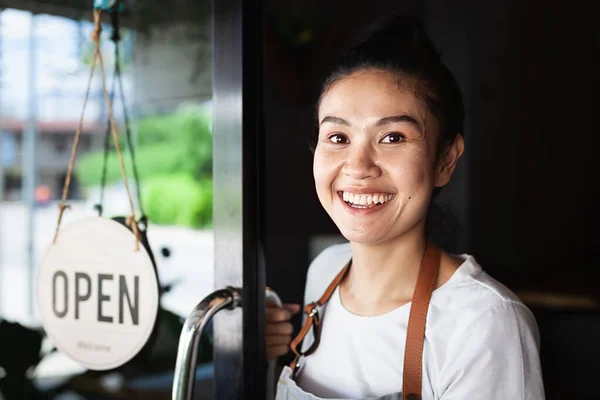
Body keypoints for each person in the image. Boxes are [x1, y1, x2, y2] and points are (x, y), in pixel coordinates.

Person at [266, 15, 545, 400]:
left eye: (393, 136)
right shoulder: (325, 273)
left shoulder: (483, 322)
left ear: (445, 160)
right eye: (338, 136)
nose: (359, 166)